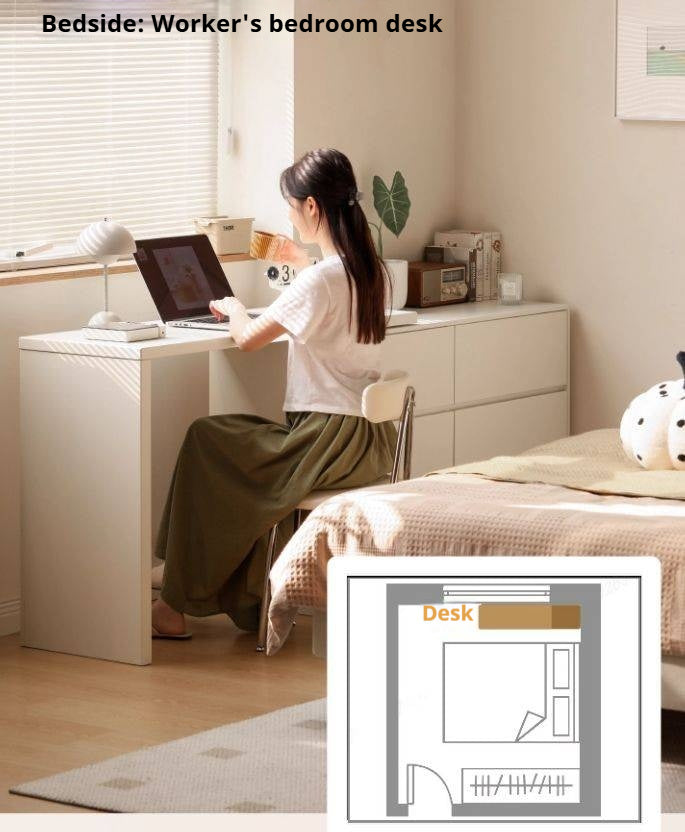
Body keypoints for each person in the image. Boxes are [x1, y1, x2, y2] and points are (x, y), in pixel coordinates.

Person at [151, 147, 398, 638]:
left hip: (322, 442)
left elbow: (247, 339)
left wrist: (234, 307)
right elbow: (327, 304)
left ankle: (173, 598)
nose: (288, 216)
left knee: (206, 438)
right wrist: (301, 261)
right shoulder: (374, 272)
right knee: (231, 444)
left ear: (311, 208)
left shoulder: (320, 281)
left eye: (290, 206)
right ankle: (188, 583)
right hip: (367, 442)